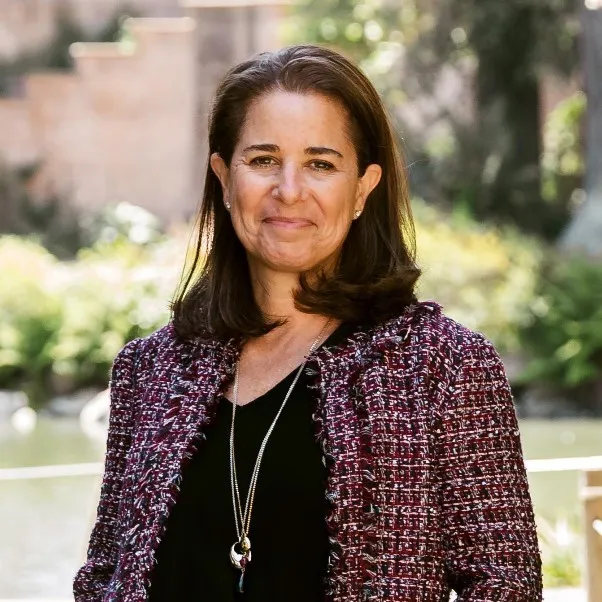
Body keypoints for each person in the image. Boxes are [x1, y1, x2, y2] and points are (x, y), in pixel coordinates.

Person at [73, 44, 542, 601]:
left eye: (320, 164)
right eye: (263, 160)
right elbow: (104, 577)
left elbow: (506, 589)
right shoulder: (147, 372)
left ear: (364, 187)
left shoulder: (442, 366)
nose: (289, 190)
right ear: (224, 177)